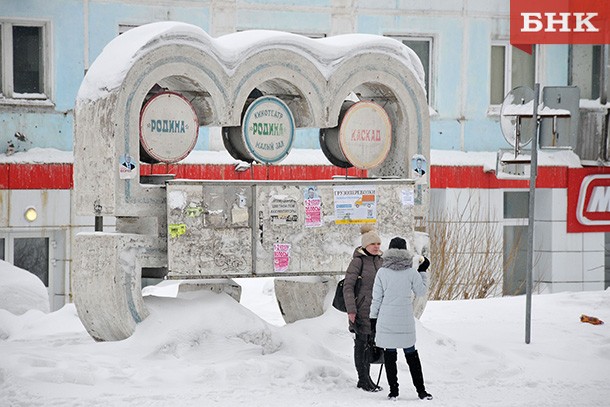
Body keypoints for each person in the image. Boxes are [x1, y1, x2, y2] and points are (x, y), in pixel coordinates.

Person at [369, 237, 433, 401]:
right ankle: (421, 391)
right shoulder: (411, 272)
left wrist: (373, 319)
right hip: (405, 320)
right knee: (411, 354)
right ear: (405, 252)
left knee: (390, 355)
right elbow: (420, 291)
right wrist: (423, 271)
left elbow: (376, 299)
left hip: (386, 319)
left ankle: (393, 392)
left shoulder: (382, 272)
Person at [343, 224, 384, 392]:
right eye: (373, 244)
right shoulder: (357, 262)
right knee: (361, 344)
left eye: (378, 244)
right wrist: (351, 310)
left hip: (377, 312)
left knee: (371, 344)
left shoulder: (381, 261)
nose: (376, 247)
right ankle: (363, 379)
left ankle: (368, 379)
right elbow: (348, 287)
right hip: (361, 311)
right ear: (365, 245)